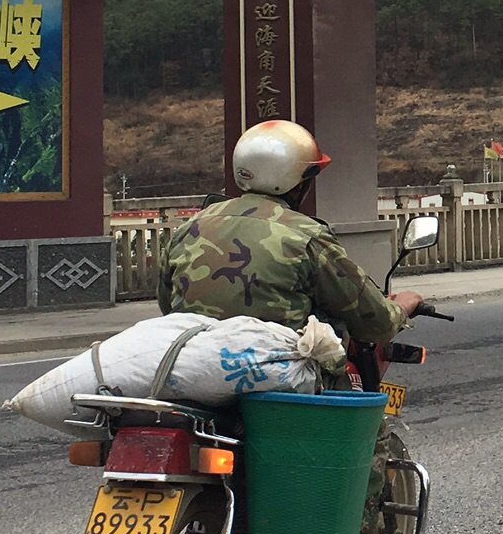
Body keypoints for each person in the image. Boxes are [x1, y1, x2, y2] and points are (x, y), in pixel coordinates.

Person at [160, 119, 421, 361]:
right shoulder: (306, 235)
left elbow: (167, 304)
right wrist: (401, 307)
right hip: (278, 374)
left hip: (195, 363)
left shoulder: (189, 228)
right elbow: (374, 321)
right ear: (298, 183)